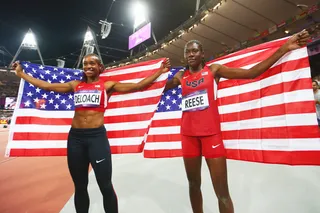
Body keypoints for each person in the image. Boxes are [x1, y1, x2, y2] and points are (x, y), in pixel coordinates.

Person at [164, 29, 310, 213]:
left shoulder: (214, 70)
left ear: (202, 54)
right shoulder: (180, 77)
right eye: (187, 52)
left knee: (222, 192)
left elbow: (252, 73)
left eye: (194, 51)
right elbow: (156, 89)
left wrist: (285, 47)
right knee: (193, 185)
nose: (191, 54)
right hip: (188, 136)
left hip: (211, 136)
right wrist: (159, 72)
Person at [12, 54, 170, 213]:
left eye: (92, 63)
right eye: (85, 63)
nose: (88, 66)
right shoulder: (75, 85)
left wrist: (159, 72)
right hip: (75, 139)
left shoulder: (107, 86)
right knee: (80, 187)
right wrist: (21, 74)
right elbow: (46, 86)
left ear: (100, 67)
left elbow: (138, 86)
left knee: (105, 186)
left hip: (97, 139)